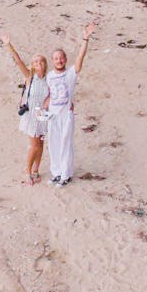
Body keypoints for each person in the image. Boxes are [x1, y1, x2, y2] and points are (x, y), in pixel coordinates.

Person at [44, 22, 96, 186]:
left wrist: (85, 39)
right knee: (53, 144)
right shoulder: (49, 76)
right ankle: (56, 173)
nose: (59, 60)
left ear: (65, 60)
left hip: (66, 114)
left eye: (61, 58)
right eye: (56, 58)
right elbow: (49, 94)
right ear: (52, 61)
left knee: (66, 144)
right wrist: (42, 109)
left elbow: (80, 58)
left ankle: (66, 174)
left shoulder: (70, 74)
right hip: (52, 115)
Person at [1, 33, 50, 185]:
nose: (39, 63)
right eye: (36, 62)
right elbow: (18, 61)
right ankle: (27, 172)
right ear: (33, 66)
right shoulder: (30, 76)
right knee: (34, 145)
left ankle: (36, 170)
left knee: (41, 144)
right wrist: (9, 45)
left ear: (45, 64)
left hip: (43, 116)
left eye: (41, 61)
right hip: (30, 116)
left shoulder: (49, 79)